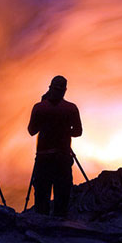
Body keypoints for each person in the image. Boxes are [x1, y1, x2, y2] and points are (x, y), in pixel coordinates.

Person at [27, 75, 82, 217]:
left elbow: (31, 131)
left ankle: (40, 226)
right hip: (63, 157)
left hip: (43, 157)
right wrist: (64, 131)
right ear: (65, 90)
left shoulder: (39, 107)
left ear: (50, 88)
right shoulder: (71, 108)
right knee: (62, 194)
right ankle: (60, 226)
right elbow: (78, 132)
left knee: (41, 194)